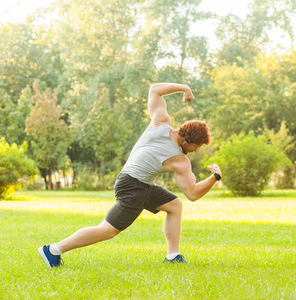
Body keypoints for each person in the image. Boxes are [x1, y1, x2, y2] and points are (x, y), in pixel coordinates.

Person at [38, 83, 222, 268]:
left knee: (174, 205)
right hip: (133, 188)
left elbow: (154, 89)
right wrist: (215, 177)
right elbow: (193, 193)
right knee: (107, 230)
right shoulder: (179, 161)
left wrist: (185, 88)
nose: (195, 151)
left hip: (135, 182)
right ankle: (53, 250)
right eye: (195, 147)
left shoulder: (160, 122)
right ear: (187, 139)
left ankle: (173, 255)